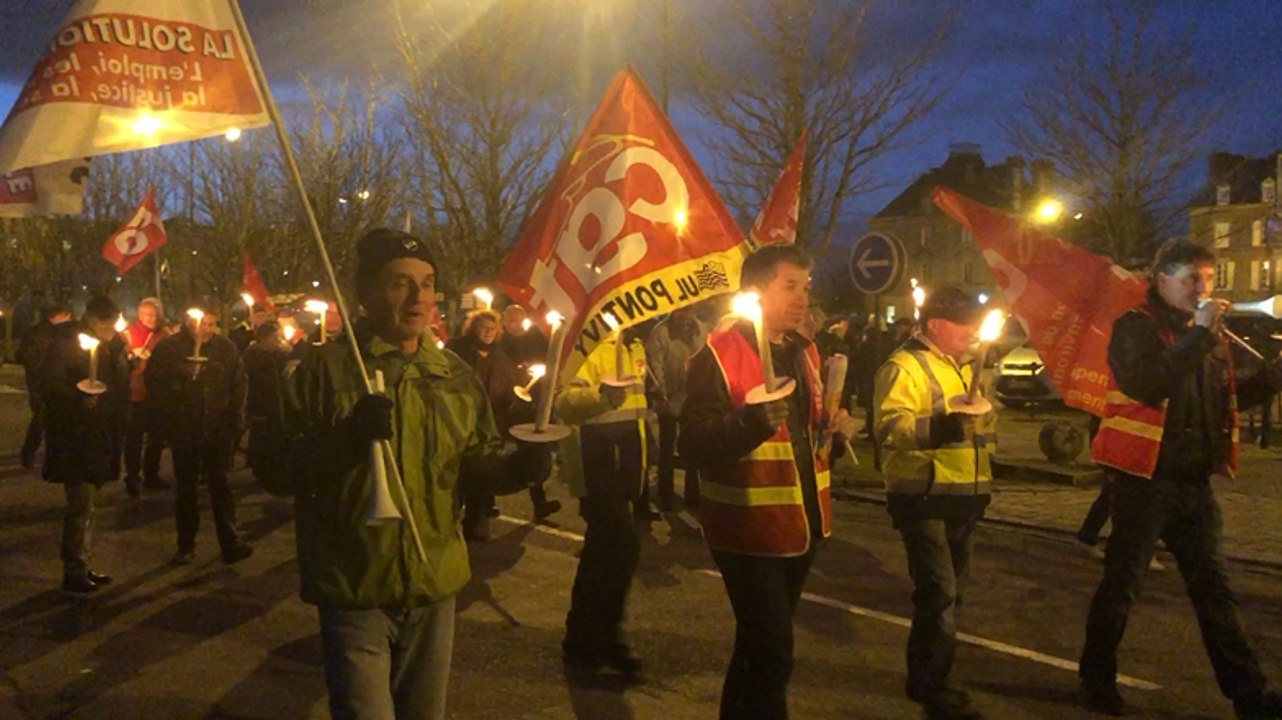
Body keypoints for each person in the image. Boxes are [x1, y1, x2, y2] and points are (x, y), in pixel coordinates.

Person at [263, 228, 542, 720]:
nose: (419, 298)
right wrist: (346, 438)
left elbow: (475, 463)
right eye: (400, 284)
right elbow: (275, 468)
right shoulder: (323, 370)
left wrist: (519, 467)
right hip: (356, 587)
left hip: (434, 585)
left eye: (428, 283)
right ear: (367, 292)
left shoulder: (453, 375)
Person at [1079, 239, 1282, 719]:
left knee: (1214, 591)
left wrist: (1273, 378)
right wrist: (1202, 336)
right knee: (1122, 585)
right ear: (1163, 280)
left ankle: (1248, 694)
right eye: (1193, 278)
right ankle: (1097, 676)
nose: (1203, 289)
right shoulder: (1136, 328)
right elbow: (1149, 382)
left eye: (1208, 279)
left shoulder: (1204, 337)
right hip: (1143, 481)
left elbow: (1221, 399)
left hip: (1192, 483)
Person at [681, 244, 855, 720]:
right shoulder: (716, 356)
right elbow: (692, 444)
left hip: (800, 528)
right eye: (790, 286)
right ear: (757, 292)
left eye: (807, 285)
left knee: (757, 646)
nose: (803, 298)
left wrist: (837, 431)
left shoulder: (805, 352)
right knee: (774, 651)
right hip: (747, 531)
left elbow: (808, 436)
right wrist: (751, 423)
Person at [874, 285, 995, 720]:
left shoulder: (964, 366)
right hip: (922, 496)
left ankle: (933, 677)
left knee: (952, 595)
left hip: (964, 495)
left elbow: (983, 425)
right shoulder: (903, 366)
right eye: (964, 323)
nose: (972, 331)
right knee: (940, 593)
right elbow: (889, 428)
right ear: (937, 326)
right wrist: (944, 428)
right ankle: (931, 685)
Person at [558, 328, 650, 677]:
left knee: (602, 555)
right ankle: (597, 639)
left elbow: (637, 411)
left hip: (623, 468)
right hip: (595, 465)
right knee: (620, 548)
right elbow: (564, 402)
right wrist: (601, 396)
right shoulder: (589, 344)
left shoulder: (635, 346)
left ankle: (589, 639)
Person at [146, 305, 253, 566]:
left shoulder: (225, 348)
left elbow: (239, 385)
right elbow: (154, 384)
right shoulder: (169, 349)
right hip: (184, 429)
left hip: (217, 430)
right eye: (201, 323)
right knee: (186, 489)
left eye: (210, 323)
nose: (205, 329)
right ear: (187, 321)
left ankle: (230, 542)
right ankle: (186, 544)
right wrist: (180, 379)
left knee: (222, 487)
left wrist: (234, 424)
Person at [41, 297, 129, 593]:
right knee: (81, 504)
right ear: (93, 320)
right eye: (109, 324)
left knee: (89, 506)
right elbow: (52, 383)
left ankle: (82, 562)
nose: (113, 330)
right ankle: (74, 568)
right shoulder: (69, 343)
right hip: (76, 438)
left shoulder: (108, 345)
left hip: (99, 435)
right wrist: (79, 398)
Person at [446, 309, 535, 539]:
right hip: (459, 420)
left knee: (481, 469)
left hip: (491, 422)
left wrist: (518, 399)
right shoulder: (457, 354)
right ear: (473, 329)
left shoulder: (501, 359)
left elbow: (508, 390)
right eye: (484, 328)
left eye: (493, 330)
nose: (488, 333)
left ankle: (476, 519)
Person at [645, 305, 708, 510]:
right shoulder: (660, 333)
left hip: (695, 399)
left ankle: (693, 494)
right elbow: (655, 364)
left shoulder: (702, 330)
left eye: (690, 313)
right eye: (682, 313)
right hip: (669, 400)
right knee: (667, 448)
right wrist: (660, 389)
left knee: (694, 447)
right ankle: (665, 492)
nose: (686, 318)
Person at [121, 297, 171, 497]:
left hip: (157, 393)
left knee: (157, 437)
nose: (152, 318)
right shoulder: (127, 335)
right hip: (135, 394)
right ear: (139, 315)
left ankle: (151, 474)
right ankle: (132, 477)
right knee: (133, 438)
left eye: (155, 314)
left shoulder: (165, 336)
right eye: (148, 314)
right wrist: (131, 360)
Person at [18, 303, 72, 471]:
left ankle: (33, 454)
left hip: (40, 383)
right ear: (59, 315)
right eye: (67, 318)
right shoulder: (48, 334)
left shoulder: (38, 331)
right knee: (43, 420)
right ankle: (31, 454)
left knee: (44, 419)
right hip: (44, 384)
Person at [242, 322, 291, 494]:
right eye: (274, 337)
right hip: (262, 405)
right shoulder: (253, 357)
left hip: (277, 405)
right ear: (263, 339)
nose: (278, 340)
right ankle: (262, 472)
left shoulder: (278, 355)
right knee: (262, 440)